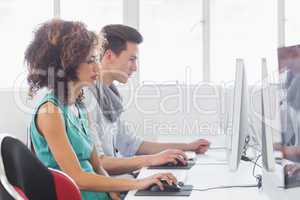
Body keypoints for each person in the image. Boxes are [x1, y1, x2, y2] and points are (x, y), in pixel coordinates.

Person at [25, 19, 177, 200]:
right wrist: (139, 184)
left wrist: (115, 196)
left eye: (96, 60)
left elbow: (98, 167)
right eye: (90, 61)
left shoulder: (80, 106)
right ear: (67, 64)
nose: (97, 68)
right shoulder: (50, 112)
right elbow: (77, 178)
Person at [84, 24, 210, 175]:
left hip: (117, 178)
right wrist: (152, 160)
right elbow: (100, 162)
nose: (135, 67)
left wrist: (188, 146)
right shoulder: (87, 96)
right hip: (107, 184)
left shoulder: (109, 95)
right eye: (131, 59)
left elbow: (133, 144)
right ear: (109, 56)